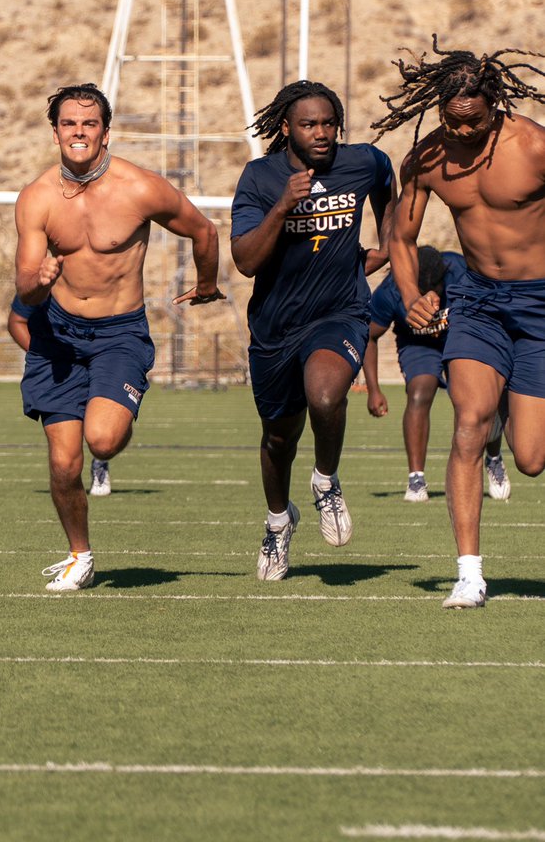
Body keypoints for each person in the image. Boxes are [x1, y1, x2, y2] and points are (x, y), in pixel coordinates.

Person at [14, 82, 224, 591]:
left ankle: (117, 407)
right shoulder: (37, 197)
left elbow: (204, 230)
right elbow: (23, 281)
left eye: (89, 124)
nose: (78, 132)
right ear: (56, 130)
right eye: (69, 123)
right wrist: (37, 282)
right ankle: (79, 556)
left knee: (101, 439)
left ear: (105, 132)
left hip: (117, 332)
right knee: (64, 466)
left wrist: (207, 283)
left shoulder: (140, 188)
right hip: (57, 334)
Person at [374, 36, 545, 609]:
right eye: (452, 121)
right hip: (477, 302)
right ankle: (469, 573)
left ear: (493, 106)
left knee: (530, 457)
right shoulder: (426, 160)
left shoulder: (533, 146)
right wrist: (409, 291)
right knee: (469, 420)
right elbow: (400, 236)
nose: (463, 133)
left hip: (542, 302)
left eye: (474, 122)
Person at [230, 80, 396, 581]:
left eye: (329, 123)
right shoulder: (260, 178)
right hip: (275, 327)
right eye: (309, 124)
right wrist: (283, 206)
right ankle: (279, 523)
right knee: (278, 438)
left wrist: (385, 246)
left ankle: (325, 482)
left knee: (325, 397)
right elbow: (244, 261)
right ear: (287, 128)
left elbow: (391, 189)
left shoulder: (362, 161)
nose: (321, 133)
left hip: (339, 313)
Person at [362, 244, 511, 502]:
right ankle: (416, 479)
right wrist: (373, 389)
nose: (432, 303)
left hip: (461, 335)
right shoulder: (392, 290)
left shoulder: (461, 271)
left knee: (478, 399)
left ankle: (494, 458)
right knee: (419, 392)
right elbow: (370, 336)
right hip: (418, 342)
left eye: (436, 294)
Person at [8, 293, 112, 497]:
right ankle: (74, 478)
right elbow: (16, 321)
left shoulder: (104, 277)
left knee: (105, 435)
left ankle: (101, 460)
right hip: (61, 365)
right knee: (65, 457)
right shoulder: (46, 277)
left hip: (105, 357)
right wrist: (43, 352)